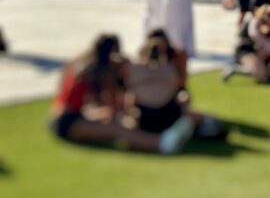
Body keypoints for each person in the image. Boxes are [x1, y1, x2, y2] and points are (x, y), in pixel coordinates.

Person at [50, 34, 193, 154]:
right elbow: (113, 109)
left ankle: (159, 139)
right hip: (68, 122)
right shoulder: (100, 74)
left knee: (115, 122)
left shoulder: (84, 66)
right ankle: (160, 143)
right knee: (117, 129)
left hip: (64, 117)